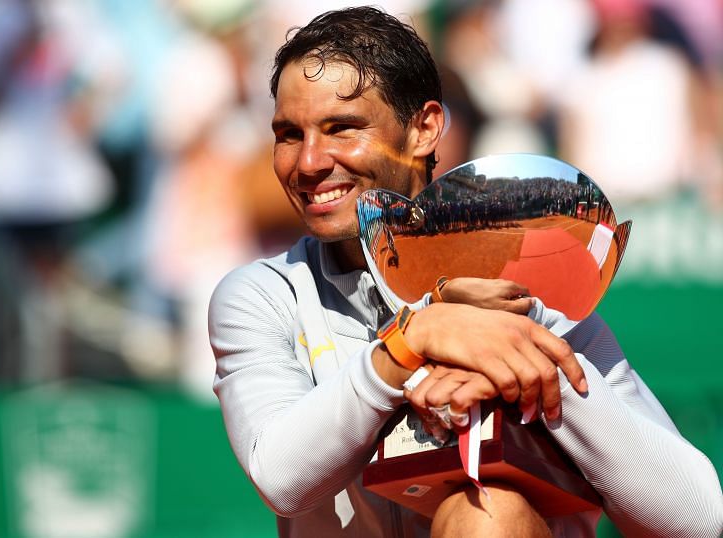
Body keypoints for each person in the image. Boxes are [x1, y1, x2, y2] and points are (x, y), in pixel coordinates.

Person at [208, 7, 723, 537]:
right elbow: (283, 479)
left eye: (342, 128)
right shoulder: (263, 295)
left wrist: (523, 359)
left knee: (491, 510)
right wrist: (411, 344)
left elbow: (699, 521)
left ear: (424, 129)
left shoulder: (529, 293)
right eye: (289, 134)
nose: (309, 161)